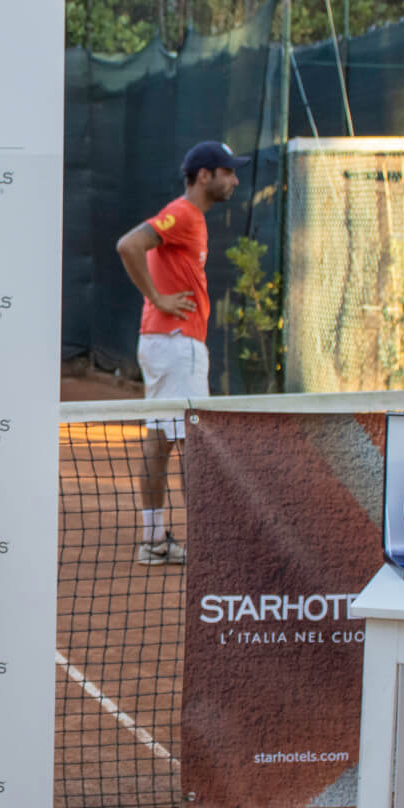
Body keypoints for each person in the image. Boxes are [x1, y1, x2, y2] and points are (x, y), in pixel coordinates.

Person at [114, 140, 247, 566]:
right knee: (194, 443)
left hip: (165, 341)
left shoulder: (193, 219)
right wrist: (159, 297)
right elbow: (128, 245)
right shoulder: (185, 214)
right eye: (227, 171)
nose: (235, 179)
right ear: (204, 175)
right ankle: (205, 540)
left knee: (163, 440)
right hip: (175, 342)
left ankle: (154, 540)